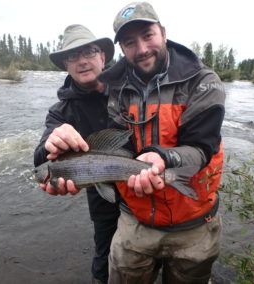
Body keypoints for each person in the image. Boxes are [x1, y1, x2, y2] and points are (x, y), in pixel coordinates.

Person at [97, 2, 226, 283]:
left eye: (148, 35)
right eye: (130, 42)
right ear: (122, 49)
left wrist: (162, 159)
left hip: (194, 225)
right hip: (135, 221)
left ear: (164, 33)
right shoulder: (115, 89)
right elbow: (120, 144)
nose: (141, 49)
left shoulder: (203, 82)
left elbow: (201, 149)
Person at [33, 24, 118, 284]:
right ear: (65, 66)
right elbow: (39, 158)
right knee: (104, 261)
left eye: (89, 52)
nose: (81, 61)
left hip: (145, 187)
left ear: (102, 57)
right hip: (103, 199)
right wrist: (51, 144)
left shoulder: (130, 88)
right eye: (72, 56)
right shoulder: (60, 112)